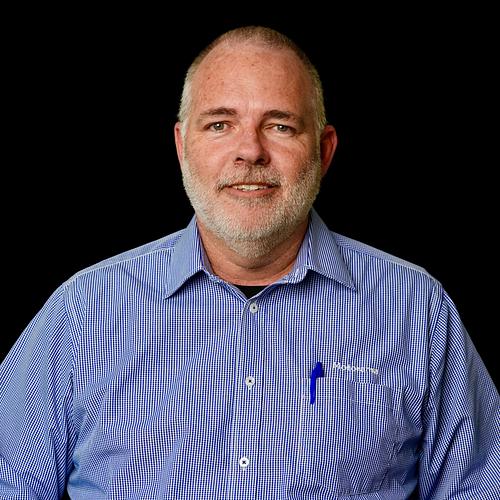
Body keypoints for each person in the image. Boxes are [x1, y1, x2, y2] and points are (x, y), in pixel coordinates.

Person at [0, 25, 498, 500]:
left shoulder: (416, 309)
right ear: (182, 147)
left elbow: (478, 485)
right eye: (220, 124)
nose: (250, 151)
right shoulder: (82, 313)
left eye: (280, 126)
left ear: (323, 152)